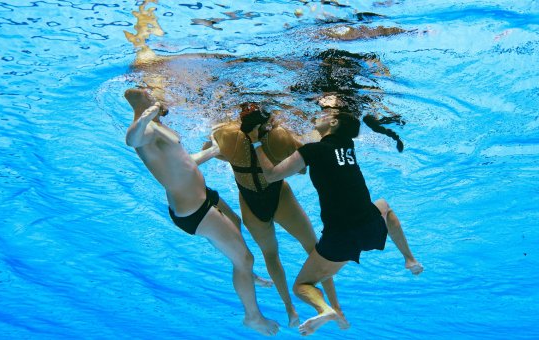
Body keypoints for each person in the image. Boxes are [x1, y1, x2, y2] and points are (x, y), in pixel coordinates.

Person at [246, 94, 423, 335]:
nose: (317, 116)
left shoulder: (313, 150)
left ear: (334, 123)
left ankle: (324, 309)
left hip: (339, 239)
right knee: (383, 205)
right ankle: (410, 259)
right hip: (369, 227)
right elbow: (331, 144)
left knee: (301, 286)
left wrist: (256, 142)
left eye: (324, 115)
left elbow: (272, 175)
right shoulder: (348, 148)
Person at [124, 88, 279, 336]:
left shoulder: (156, 125)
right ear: (143, 100)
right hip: (195, 211)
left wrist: (213, 151)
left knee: (236, 222)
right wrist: (144, 116)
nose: (156, 95)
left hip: (203, 196)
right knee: (244, 259)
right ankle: (253, 317)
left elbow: (184, 162)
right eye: (150, 94)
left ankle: (247, 274)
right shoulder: (146, 129)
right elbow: (131, 140)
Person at [208, 102, 347, 328]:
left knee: (270, 256)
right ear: (267, 121)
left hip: (250, 202)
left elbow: (213, 151)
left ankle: (289, 309)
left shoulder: (226, 134)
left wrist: (235, 159)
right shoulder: (279, 136)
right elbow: (301, 168)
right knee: (314, 248)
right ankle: (334, 306)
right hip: (279, 196)